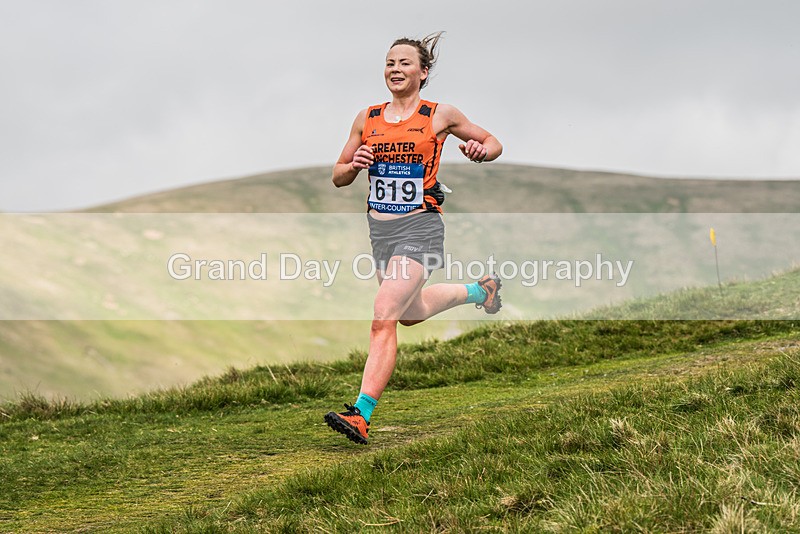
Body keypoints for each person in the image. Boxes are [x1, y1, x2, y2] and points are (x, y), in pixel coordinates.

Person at [324, 32, 503, 445]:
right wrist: (355, 165)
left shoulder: (439, 115)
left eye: (405, 63)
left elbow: (492, 142)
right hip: (380, 232)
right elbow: (337, 175)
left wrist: (481, 153)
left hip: (420, 226)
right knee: (409, 312)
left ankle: (361, 414)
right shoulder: (365, 119)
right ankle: (481, 291)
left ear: (423, 72)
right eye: (390, 63)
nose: (395, 69)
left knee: (384, 312)